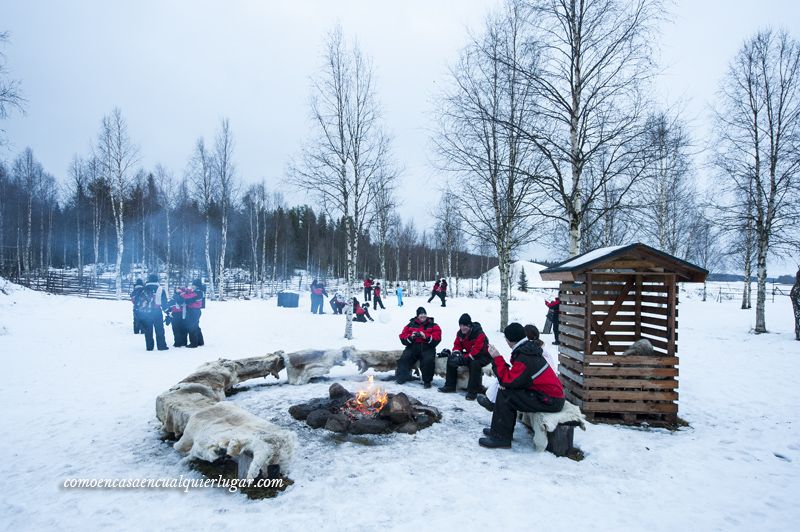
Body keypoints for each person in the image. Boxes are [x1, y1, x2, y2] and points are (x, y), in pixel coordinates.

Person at [478, 322, 565, 449]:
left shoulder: (525, 356)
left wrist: (497, 358)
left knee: (506, 393)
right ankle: (498, 431)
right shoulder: (527, 350)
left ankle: (501, 437)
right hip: (550, 396)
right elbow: (515, 379)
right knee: (506, 391)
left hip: (550, 400)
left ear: (509, 340)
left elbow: (508, 380)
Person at [438, 313, 491, 400]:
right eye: (461, 325)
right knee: (452, 359)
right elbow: (457, 345)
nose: (462, 327)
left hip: (483, 356)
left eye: (465, 325)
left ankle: (472, 392)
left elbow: (477, 351)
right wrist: (456, 353)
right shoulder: (460, 333)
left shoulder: (479, 334)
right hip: (469, 354)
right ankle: (450, 386)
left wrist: (464, 358)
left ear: (469, 325)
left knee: (474, 364)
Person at [397, 307, 442, 388]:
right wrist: (410, 337)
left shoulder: (433, 325)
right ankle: (402, 377)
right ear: (417, 315)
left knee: (428, 361)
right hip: (412, 346)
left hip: (427, 347)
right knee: (405, 358)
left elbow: (438, 337)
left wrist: (426, 336)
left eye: (424, 314)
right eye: (421, 314)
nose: (423, 316)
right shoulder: (410, 324)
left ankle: (427, 381)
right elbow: (402, 336)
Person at [136, 274, 169, 351]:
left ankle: (149, 347)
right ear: (157, 280)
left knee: (148, 330)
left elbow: (137, 302)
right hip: (157, 312)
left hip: (146, 313)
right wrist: (167, 312)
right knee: (159, 329)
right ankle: (161, 346)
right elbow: (164, 303)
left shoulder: (143, 288)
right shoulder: (161, 289)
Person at [182, 279, 205, 348]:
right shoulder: (198, 292)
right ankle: (200, 341)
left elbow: (188, 299)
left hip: (194, 310)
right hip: (194, 310)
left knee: (191, 326)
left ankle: (194, 343)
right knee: (196, 326)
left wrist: (183, 295)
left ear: (197, 286)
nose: (192, 286)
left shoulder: (198, 292)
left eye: (193, 285)